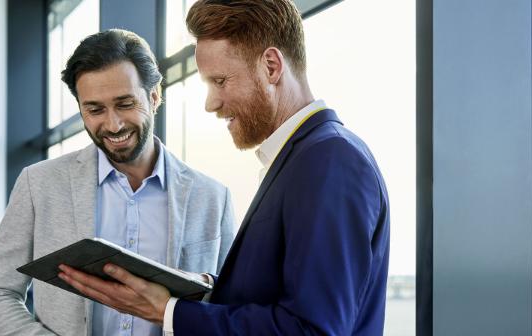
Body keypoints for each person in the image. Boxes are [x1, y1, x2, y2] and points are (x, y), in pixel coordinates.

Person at [57, 1, 390, 335]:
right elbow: (283, 297)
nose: (210, 103)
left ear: (271, 67)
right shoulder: (305, 158)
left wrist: (168, 311)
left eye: (219, 81)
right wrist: (204, 287)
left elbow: (312, 330)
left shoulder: (328, 161)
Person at [0, 29, 235, 336]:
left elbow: (230, 303)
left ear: (154, 96)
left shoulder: (213, 197)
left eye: (125, 104)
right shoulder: (39, 184)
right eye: (95, 110)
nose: (113, 124)